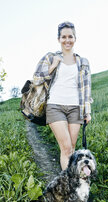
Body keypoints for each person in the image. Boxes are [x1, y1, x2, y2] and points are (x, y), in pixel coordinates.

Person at [33, 21, 93, 170]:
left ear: (75, 38)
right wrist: (52, 67)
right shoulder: (50, 57)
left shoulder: (83, 62)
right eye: (64, 37)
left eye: (70, 36)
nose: (67, 40)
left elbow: (87, 89)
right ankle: (68, 187)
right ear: (59, 39)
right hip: (55, 105)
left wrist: (88, 111)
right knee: (66, 148)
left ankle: (70, 184)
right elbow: (36, 79)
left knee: (71, 149)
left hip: (75, 108)